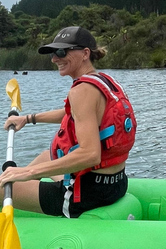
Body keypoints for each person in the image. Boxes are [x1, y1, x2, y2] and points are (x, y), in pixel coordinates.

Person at [0, 26, 137, 218]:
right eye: (54, 53)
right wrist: (29, 118)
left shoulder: (81, 91)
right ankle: (22, 192)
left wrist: (27, 172)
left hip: (87, 194)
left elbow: (90, 155)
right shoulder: (105, 81)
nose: (55, 59)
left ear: (85, 53)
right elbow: (75, 114)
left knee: (1, 186)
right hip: (116, 183)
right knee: (45, 156)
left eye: (62, 52)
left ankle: (18, 189)